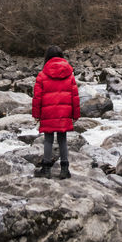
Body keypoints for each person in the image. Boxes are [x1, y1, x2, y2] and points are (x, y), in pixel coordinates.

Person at [32, 45, 80, 179]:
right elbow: (74, 96)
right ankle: (64, 170)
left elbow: (37, 97)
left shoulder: (42, 75)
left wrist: (36, 115)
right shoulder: (69, 74)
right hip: (64, 112)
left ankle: (46, 170)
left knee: (48, 140)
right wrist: (76, 115)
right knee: (62, 140)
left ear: (47, 57)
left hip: (48, 113)